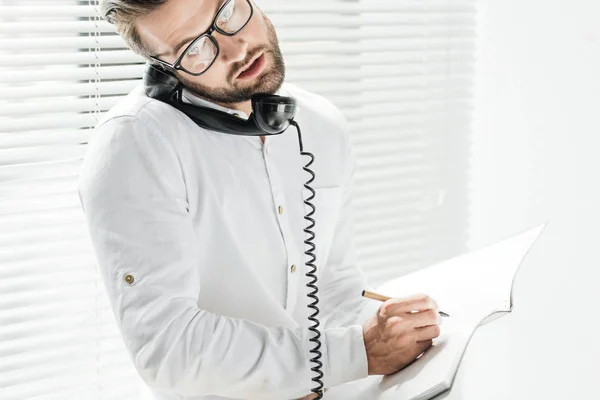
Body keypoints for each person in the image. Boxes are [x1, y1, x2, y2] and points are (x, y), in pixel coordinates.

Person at [77, 1, 442, 399]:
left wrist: (400, 330)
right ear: (163, 69)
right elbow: (169, 350)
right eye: (194, 47)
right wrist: (356, 352)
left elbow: (333, 286)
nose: (236, 50)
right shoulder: (132, 147)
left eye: (227, 12)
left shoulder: (320, 123)